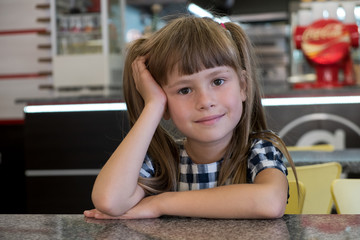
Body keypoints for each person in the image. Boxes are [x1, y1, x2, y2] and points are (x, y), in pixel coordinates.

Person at [84, 16, 297, 219]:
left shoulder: (260, 150)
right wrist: (154, 105)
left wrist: (160, 203)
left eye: (218, 81)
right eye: (185, 90)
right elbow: (109, 201)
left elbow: (270, 202)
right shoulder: (161, 162)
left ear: (243, 85)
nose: (205, 101)